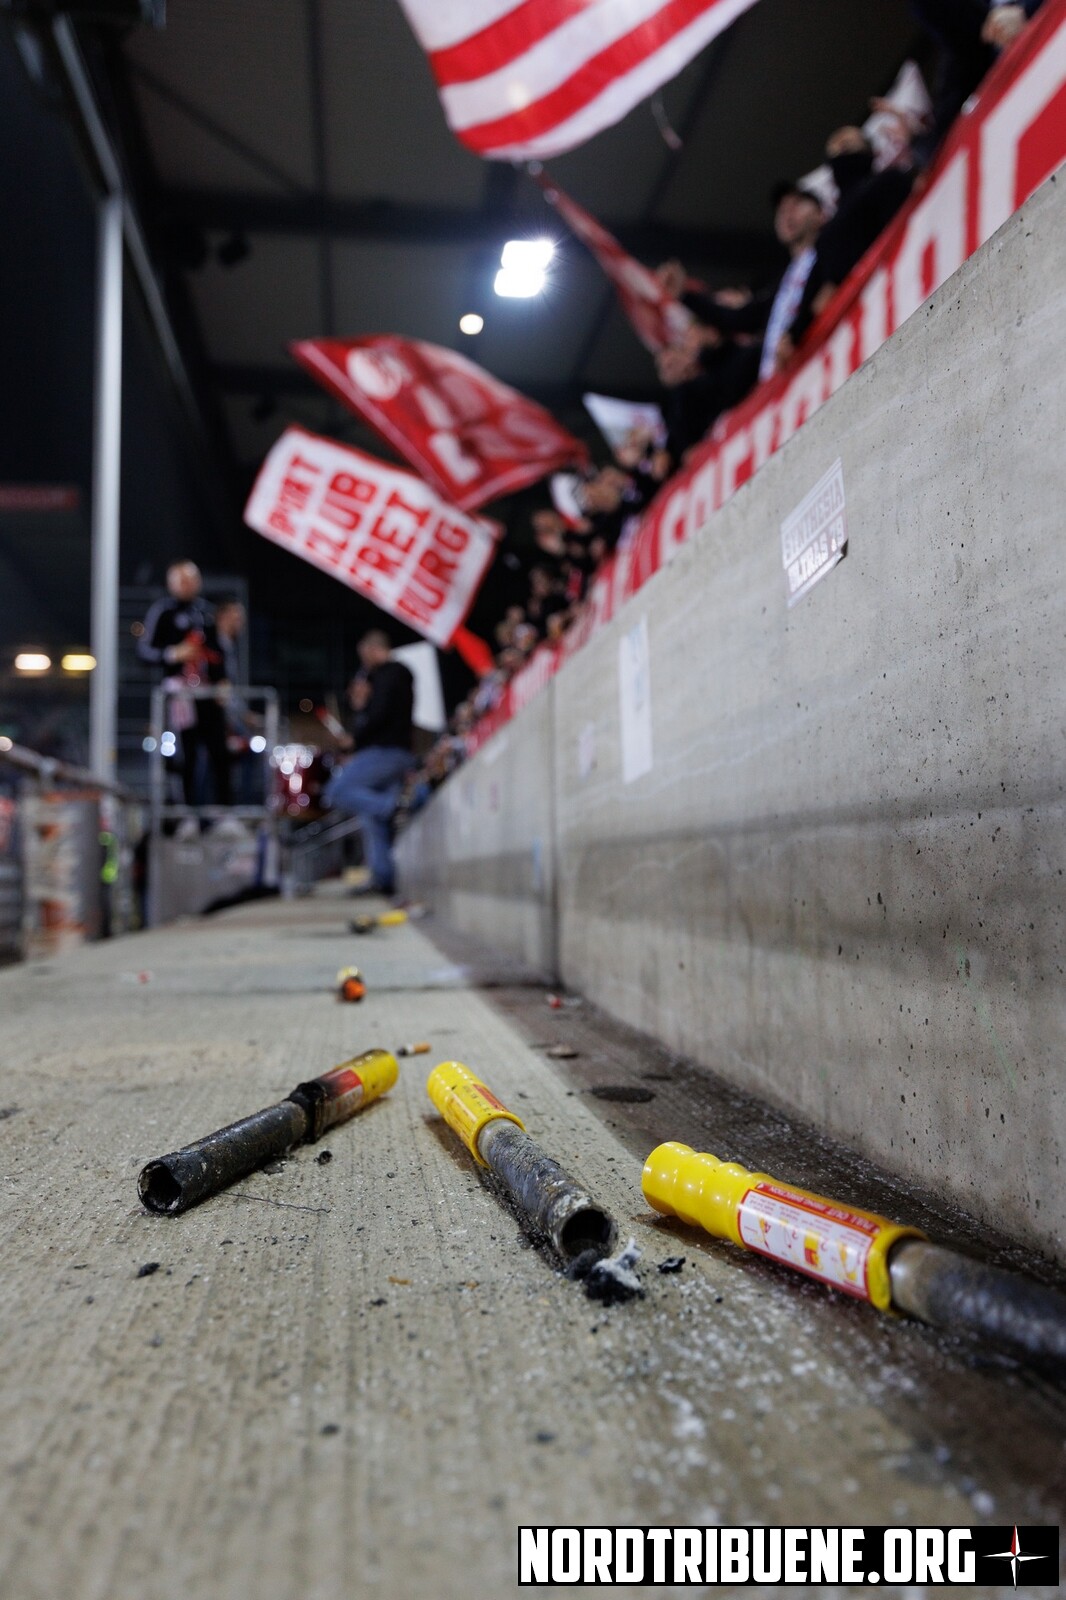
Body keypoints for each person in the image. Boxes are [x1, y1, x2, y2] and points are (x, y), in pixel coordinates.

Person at [323, 630, 414, 896]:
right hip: (388, 751)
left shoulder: (390, 673)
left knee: (337, 791)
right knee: (372, 818)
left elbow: (380, 716)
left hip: (387, 752)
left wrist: (355, 738)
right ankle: (382, 877)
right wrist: (362, 705)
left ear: (374, 650)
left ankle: (392, 806)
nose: (364, 664)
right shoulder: (388, 678)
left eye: (365, 656)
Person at [138, 561, 231, 807]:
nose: (188, 585)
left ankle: (224, 814)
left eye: (191, 579)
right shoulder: (163, 612)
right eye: (182, 580)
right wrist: (172, 654)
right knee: (183, 755)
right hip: (179, 695)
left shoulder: (207, 614)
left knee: (219, 752)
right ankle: (184, 815)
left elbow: (220, 653)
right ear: (171, 584)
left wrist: (223, 680)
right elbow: (144, 652)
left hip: (207, 693)